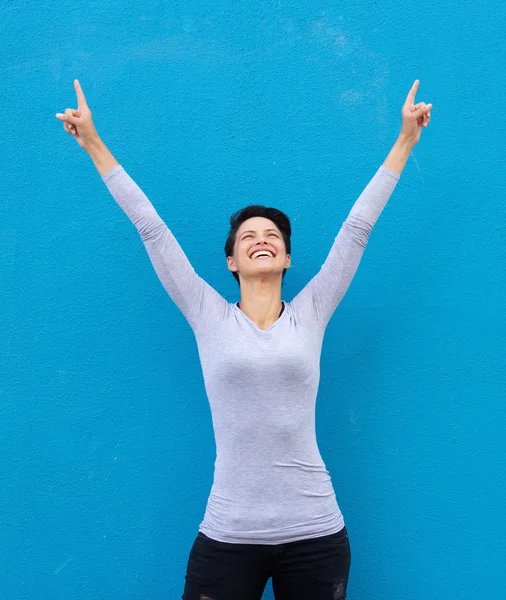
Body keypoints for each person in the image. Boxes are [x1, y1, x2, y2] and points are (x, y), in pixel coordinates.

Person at [56, 79, 432, 600]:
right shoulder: (208, 314)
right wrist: (94, 143)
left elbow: (357, 229)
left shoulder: (312, 312)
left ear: (287, 260)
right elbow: (151, 229)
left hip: (317, 532)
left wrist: (405, 141)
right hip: (230, 533)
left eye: (273, 236)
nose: (262, 239)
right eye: (248, 237)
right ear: (232, 261)